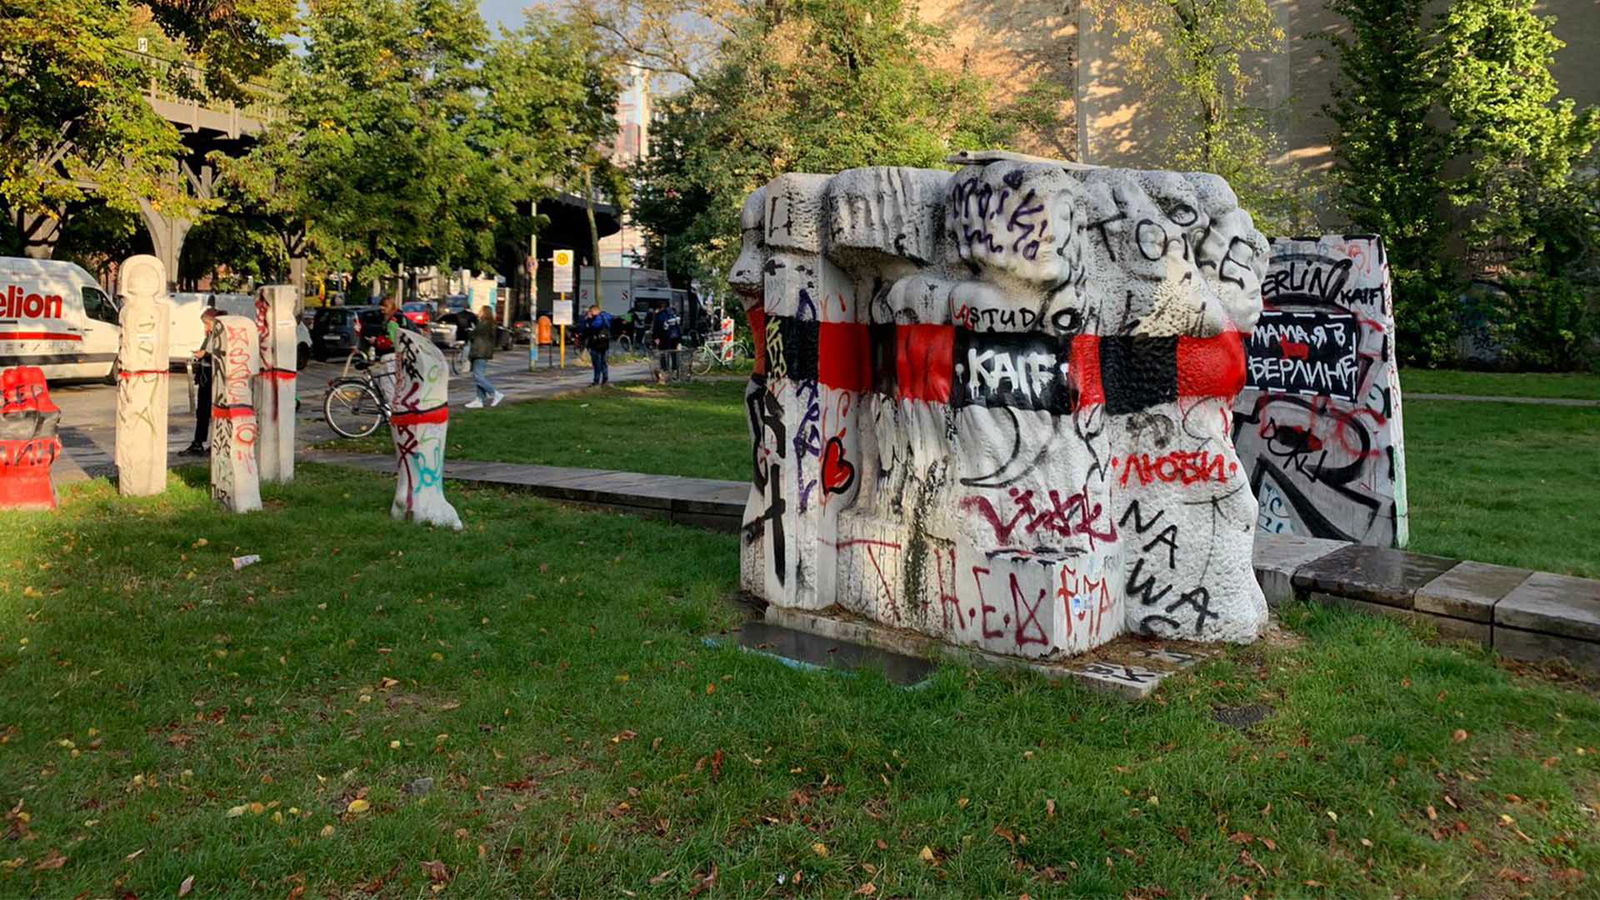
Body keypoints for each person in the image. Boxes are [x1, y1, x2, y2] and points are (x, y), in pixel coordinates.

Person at [179, 306, 221, 456]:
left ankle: (211, 442)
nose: (205, 327)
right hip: (205, 378)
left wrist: (205, 354)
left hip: (213, 378)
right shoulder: (210, 336)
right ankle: (199, 442)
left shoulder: (219, 336)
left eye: (207, 324)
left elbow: (217, 354)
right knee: (202, 412)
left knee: (211, 411)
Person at [464, 305, 505, 408]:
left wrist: (470, 331)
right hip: (483, 352)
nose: (478, 313)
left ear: (484, 313)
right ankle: (479, 400)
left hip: (479, 352)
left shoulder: (483, 324)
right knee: (479, 376)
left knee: (478, 376)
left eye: (480, 311)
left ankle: (495, 393)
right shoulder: (490, 324)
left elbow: (473, 335)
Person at [581, 304, 615, 385]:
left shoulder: (597, 319)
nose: (590, 313)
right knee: (604, 362)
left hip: (595, 343)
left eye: (591, 311)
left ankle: (596, 380)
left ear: (594, 311)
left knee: (597, 363)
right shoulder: (606, 317)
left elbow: (590, 328)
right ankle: (605, 379)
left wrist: (587, 320)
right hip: (605, 343)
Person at [652, 302, 682, 381]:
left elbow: (656, 328)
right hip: (675, 338)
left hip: (664, 338)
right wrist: (679, 339)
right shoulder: (674, 314)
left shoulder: (660, 315)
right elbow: (678, 327)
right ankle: (674, 371)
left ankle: (664, 371)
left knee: (663, 354)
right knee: (674, 354)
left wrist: (655, 338)